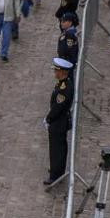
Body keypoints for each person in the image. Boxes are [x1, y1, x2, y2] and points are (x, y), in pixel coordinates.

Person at [44, 57, 74, 185]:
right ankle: (57, 170)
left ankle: (55, 175)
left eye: (57, 70)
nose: (55, 73)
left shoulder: (64, 88)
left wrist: (48, 118)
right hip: (59, 121)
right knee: (58, 147)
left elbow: (57, 107)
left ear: (62, 72)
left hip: (58, 122)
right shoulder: (62, 83)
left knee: (57, 148)